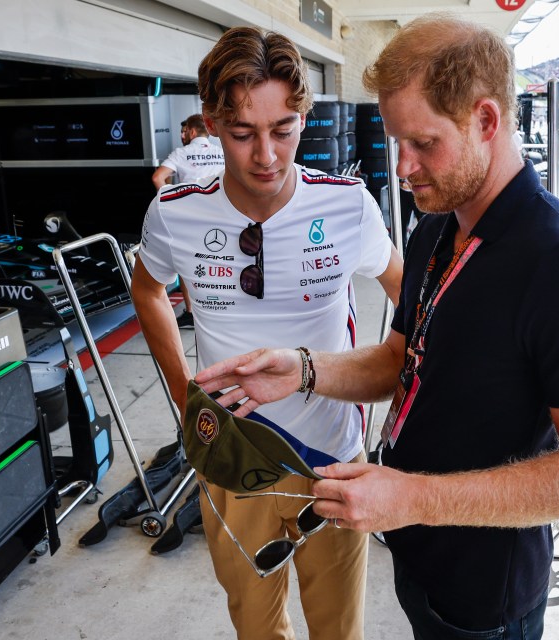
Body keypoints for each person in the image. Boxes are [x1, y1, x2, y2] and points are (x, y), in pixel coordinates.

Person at [195, 15, 559, 639]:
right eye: (395, 141)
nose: (403, 168)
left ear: (486, 120)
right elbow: (402, 359)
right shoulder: (437, 226)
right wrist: (306, 370)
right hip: (417, 552)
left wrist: (413, 498)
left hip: (485, 590)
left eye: (423, 143)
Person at [131, 26, 403, 640]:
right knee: (255, 627)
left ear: (303, 119)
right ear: (209, 124)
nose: (266, 156)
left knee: (338, 628)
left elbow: (408, 296)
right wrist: (184, 396)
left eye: (283, 130)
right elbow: (146, 288)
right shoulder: (175, 213)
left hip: (331, 456)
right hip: (231, 455)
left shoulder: (347, 206)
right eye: (243, 133)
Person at [151, 114, 226, 328]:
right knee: (222, 261)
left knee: (187, 263)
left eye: (184, 131)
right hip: (221, 211)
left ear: (192, 132)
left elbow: (157, 177)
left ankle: (192, 312)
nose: (183, 135)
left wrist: (170, 201)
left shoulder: (182, 153)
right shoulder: (220, 151)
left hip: (191, 215)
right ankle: (221, 307)